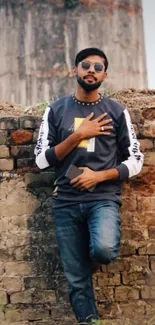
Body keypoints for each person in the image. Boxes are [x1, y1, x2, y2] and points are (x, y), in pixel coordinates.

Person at [34, 47, 144, 324]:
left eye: (98, 67)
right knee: (76, 277)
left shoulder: (117, 111)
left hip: (103, 198)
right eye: (85, 65)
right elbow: (41, 161)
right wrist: (78, 135)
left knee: (104, 250)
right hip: (65, 201)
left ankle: (85, 264)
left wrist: (98, 176)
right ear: (75, 70)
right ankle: (88, 320)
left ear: (105, 74)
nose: (91, 70)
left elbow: (136, 160)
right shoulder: (56, 110)